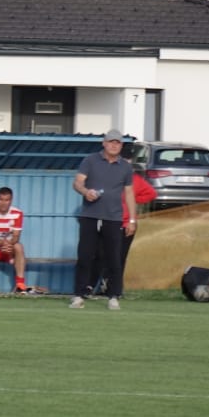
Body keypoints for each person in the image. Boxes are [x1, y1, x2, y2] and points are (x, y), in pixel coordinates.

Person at [70, 130, 136, 310]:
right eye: (111, 142)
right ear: (104, 143)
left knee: (114, 258)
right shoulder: (90, 160)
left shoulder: (126, 167)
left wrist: (131, 220)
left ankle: (114, 295)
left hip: (113, 218)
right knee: (85, 256)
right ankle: (79, 295)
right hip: (90, 215)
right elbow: (77, 182)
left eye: (118, 143)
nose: (114, 145)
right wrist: (86, 192)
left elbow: (129, 193)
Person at [90, 171, 157, 295]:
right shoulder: (110, 177)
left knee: (117, 257)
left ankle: (114, 289)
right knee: (103, 255)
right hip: (110, 222)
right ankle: (101, 286)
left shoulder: (134, 179)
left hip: (125, 224)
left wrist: (132, 199)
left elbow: (151, 194)